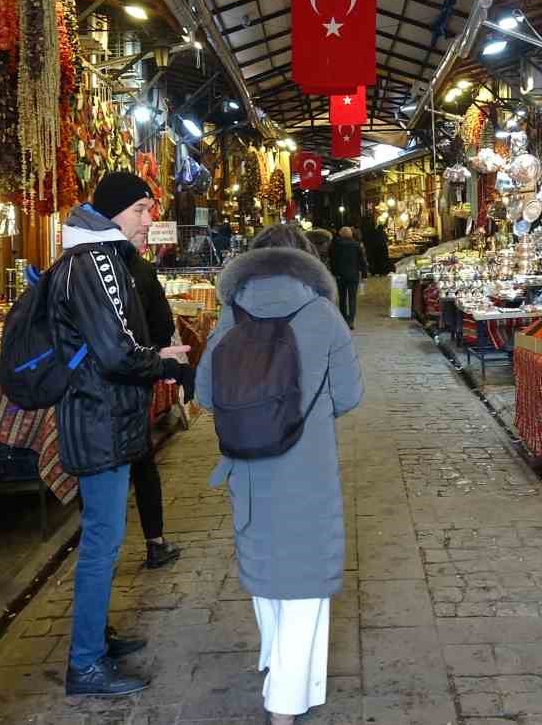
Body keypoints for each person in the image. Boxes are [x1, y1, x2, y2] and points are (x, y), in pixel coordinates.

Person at [197, 224, 363, 725]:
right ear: (308, 261)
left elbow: (205, 395)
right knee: (305, 587)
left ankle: (274, 661)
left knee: (266, 572)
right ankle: (285, 703)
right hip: (306, 468)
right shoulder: (323, 314)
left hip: (247, 470)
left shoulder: (231, 312)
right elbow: (350, 396)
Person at [55, 172, 193, 697]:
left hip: (105, 417)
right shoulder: (94, 264)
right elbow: (114, 352)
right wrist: (159, 359)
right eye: (140, 209)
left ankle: (95, 638)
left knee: (103, 538)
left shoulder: (100, 259)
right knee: (102, 543)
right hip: (98, 418)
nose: (148, 219)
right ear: (113, 212)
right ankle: (85, 663)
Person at [127, 228, 183, 570]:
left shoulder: (73, 268)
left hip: (88, 394)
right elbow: (163, 327)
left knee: (99, 477)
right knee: (142, 462)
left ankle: (100, 552)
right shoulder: (141, 271)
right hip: (132, 384)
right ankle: (154, 542)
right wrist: (152, 355)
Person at [328, 226, 366, 328]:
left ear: (340, 234)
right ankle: (351, 321)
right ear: (351, 234)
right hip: (353, 275)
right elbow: (362, 261)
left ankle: (343, 319)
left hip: (340, 275)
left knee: (342, 298)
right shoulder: (356, 245)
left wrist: (334, 273)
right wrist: (364, 274)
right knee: (352, 299)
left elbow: (332, 261)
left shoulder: (335, 245)